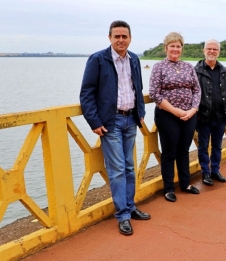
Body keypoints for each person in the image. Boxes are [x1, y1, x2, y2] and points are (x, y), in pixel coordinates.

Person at [79, 20, 150, 236]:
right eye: (117, 36)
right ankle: (123, 215)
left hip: (131, 120)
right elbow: (87, 93)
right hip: (111, 123)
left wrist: (141, 113)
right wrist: (94, 122)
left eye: (124, 36)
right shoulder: (98, 59)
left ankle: (130, 206)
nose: (121, 40)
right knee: (118, 169)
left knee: (129, 166)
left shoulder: (134, 59)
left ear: (130, 38)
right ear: (109, 37)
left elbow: (137, 87)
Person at [149, 32, 201, 202]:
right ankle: (169, 188)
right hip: (167, 115)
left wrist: (193, 110)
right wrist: (174, 111)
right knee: (169, 152)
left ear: (182, 48)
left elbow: (197, 90)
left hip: (189, 114)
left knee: (184, 150)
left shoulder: (188, 67)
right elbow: (154, 93)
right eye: (172, 46)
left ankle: (185, 183)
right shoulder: (159, 67)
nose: (175, 49)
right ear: (166, 48)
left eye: (178, 46)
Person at [194, 39, 226, 186]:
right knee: (203, 146)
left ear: (219, 52)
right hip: (203, 116)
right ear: (204, 50)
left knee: (217, 145)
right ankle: (205, 173)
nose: (212, 52)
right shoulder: (196, 70)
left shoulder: (224, 71)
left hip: (221, 115)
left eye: (215, 49)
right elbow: (192, 93)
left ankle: (215, 171)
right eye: (209, 49)